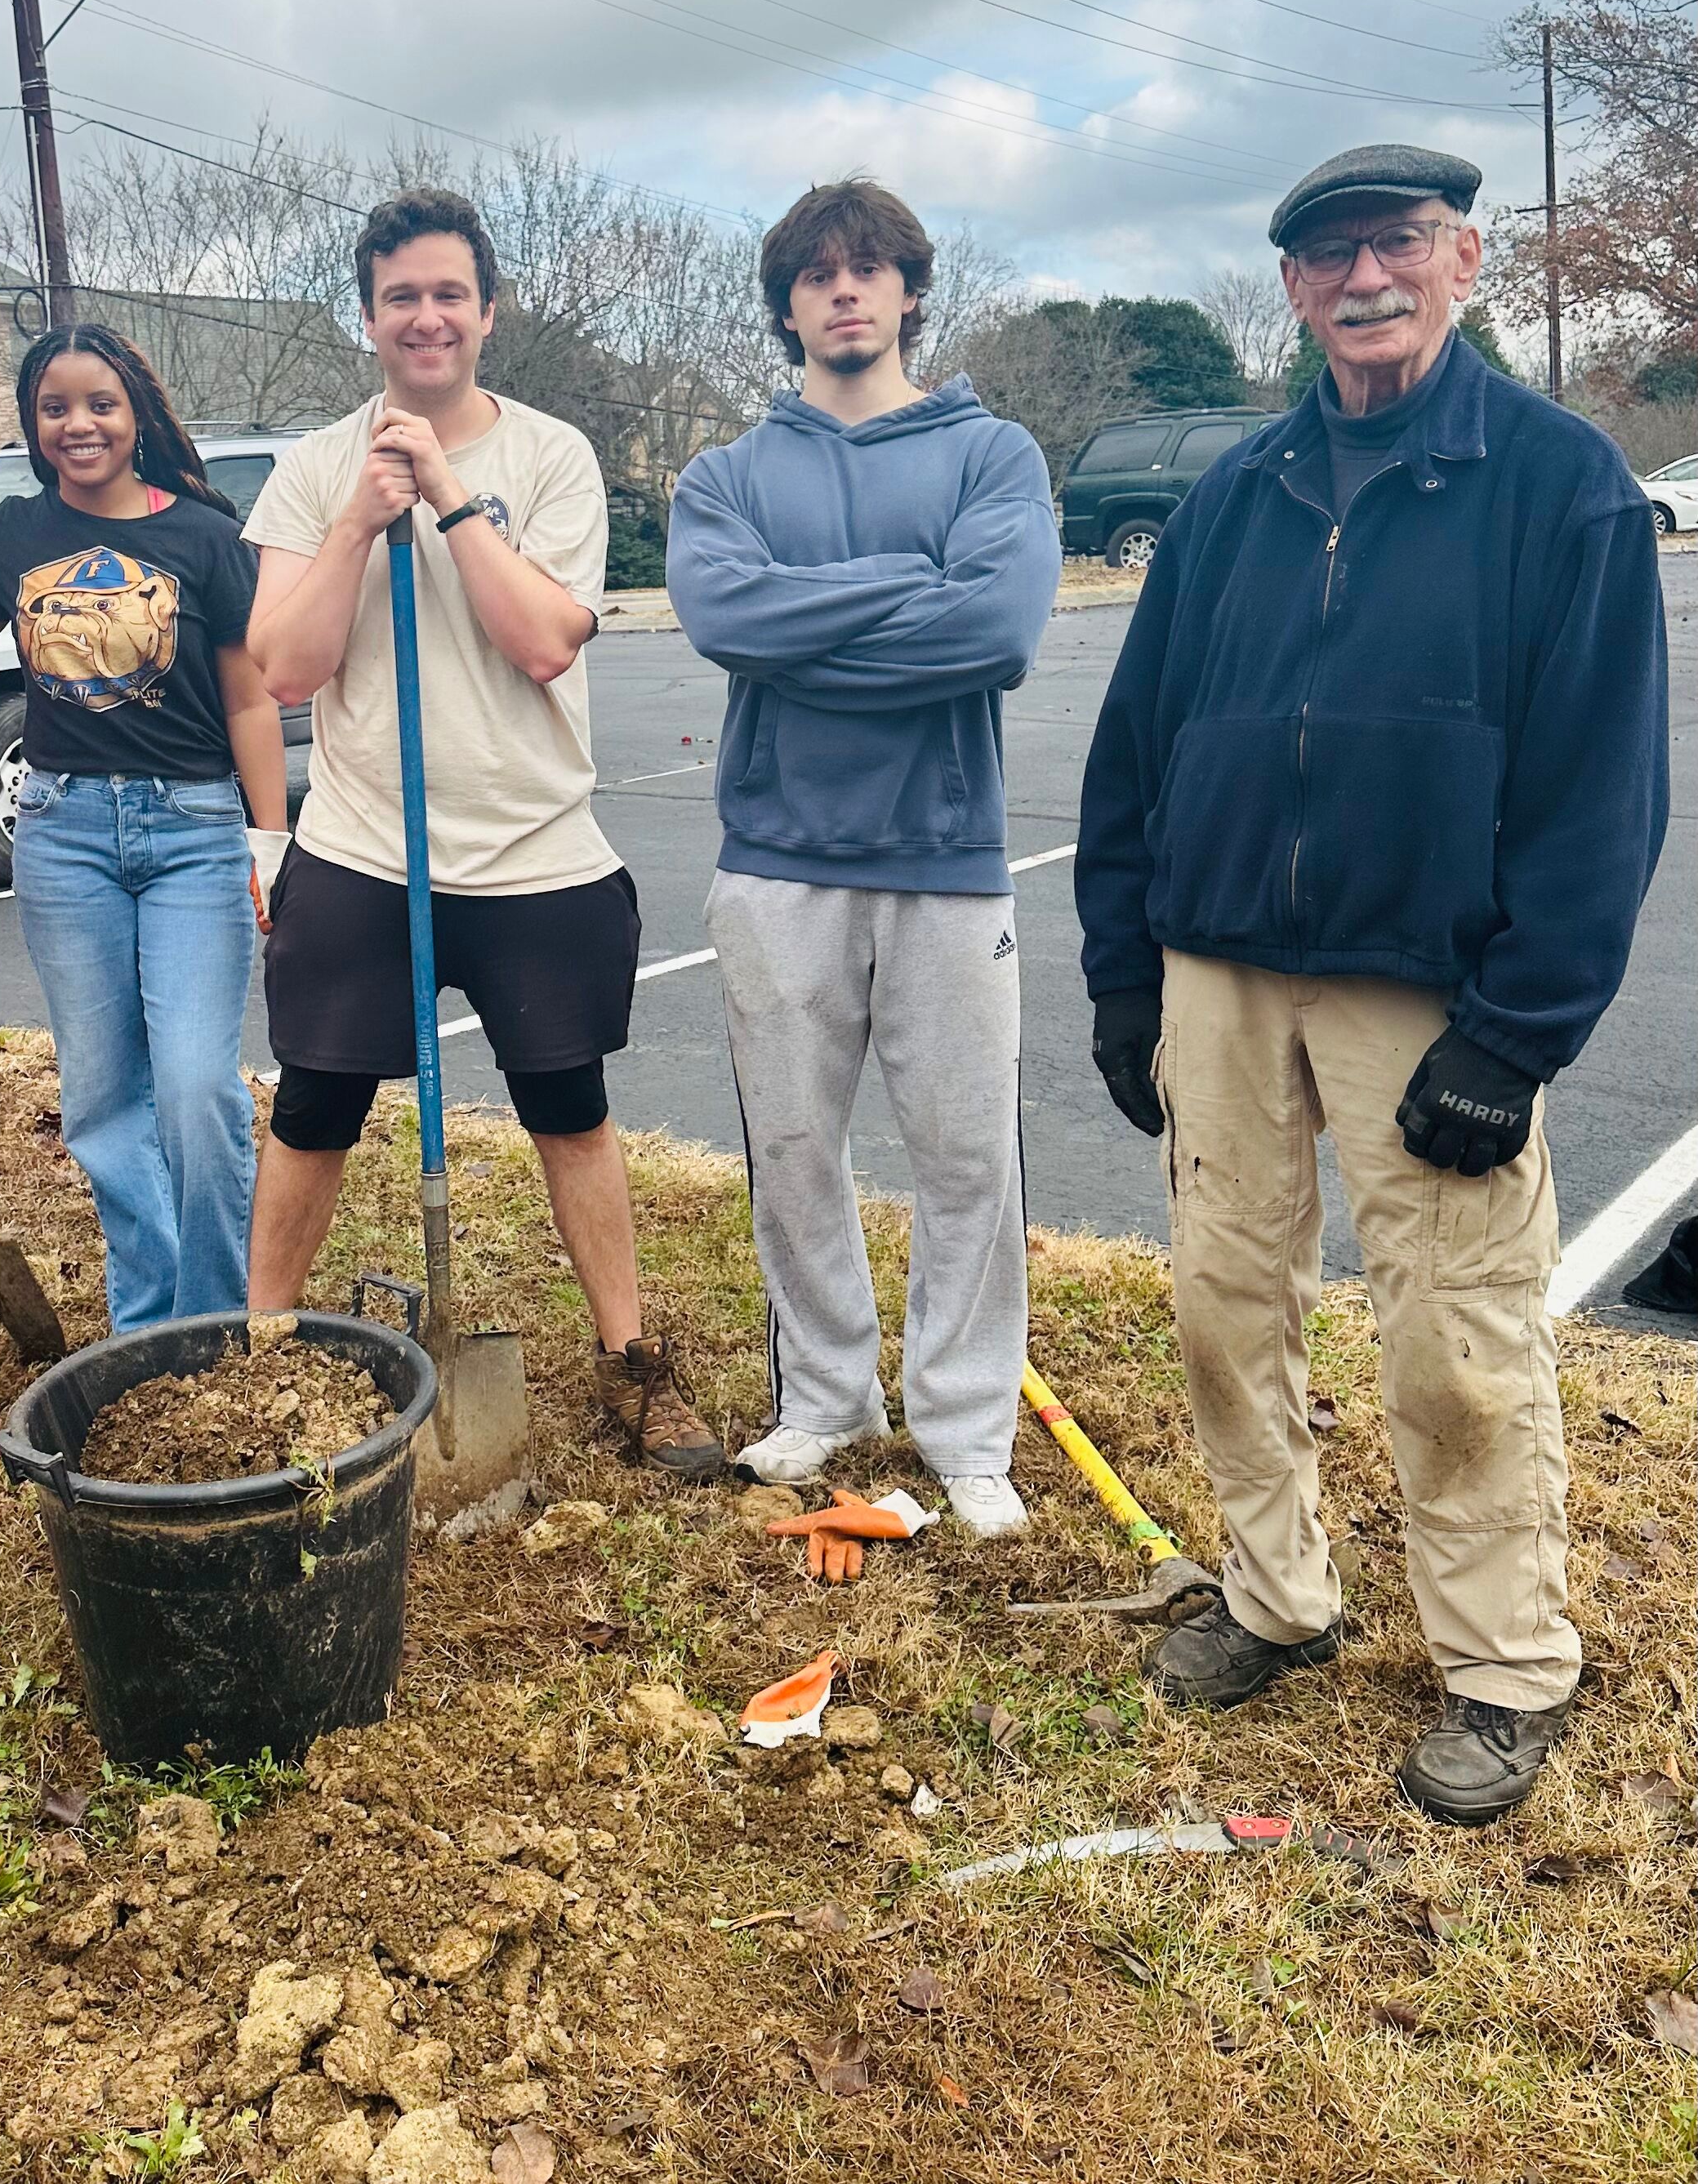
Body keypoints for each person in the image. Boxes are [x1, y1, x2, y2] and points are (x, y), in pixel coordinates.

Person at [1076, 144, 1669, 1825]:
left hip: (1429, 990)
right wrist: (1126, 981)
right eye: (1326, 255)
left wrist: (1516, 1030)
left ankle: (1499, 1665)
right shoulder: (1228, 498)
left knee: (1453, 1345)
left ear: (1462, 260)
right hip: (1216, 975)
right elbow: (1134, 752)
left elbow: (1596, 787)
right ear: (1288, 291)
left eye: (1395, 244)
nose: (1363, 278)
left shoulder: (1553, 487)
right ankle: (1276, 1595)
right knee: (1217, 1305)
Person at [240, 185, 722, 1477]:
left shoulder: (551, 457)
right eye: (401, 296)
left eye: (450, 292)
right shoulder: (310, 467)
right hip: (364, 846)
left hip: (533, 851)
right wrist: (357, 515)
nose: (427, 315)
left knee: (571, 1107)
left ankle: (630, 1363)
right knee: (314, 1109)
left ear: (488, 311)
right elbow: (284, 667)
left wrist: (449, 499)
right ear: (368, 320)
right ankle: (264, 1350)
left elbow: (545, 638)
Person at [666, 180, 1060, 1532]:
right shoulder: (726, 478)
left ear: (907, 292)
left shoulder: (992, 454)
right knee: (793, 1148)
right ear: (785, 306)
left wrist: (809, 626)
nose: (845, 289)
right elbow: (724, 614)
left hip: (948, 861)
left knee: (966, 1158)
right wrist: (915, 582)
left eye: (870, 267)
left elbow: (997, 631)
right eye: (817, 273)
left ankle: (966, 1428)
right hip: (777, 862)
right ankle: (827, 1396)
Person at [0, 325, 286, 1337]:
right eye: (54, 408)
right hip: (61, 833)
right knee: (103, 1098)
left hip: (193, 828)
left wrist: (268, 842)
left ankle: (211, 1317)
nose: (77, 424)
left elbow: (250, 702)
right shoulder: (15, 533)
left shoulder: (202, 536)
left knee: (196, 1086)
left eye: (97, 402)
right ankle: (146, 1324)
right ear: (34, 425)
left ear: (135, 410)